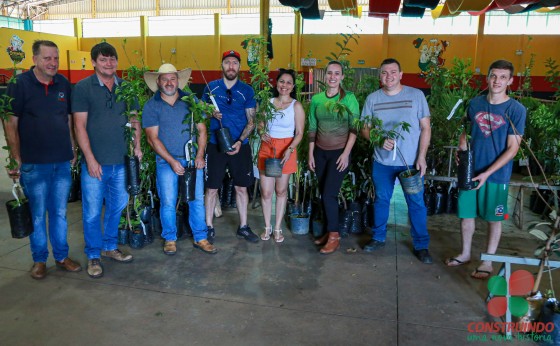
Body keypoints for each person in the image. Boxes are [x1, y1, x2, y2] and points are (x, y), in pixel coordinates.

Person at [5, 40, 82, 279]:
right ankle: (39, 259)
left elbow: (68, 118)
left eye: (56, 58)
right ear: (35, 59)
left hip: (61, 161)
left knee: (59, 213)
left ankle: (61, 256)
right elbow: (10, 122)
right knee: (37, 214)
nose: (53, 63)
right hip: (33, 164)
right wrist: (15, 157)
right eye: (47, 58)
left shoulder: (63, 84)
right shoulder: (19, 85)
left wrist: (72, 146)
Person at [445, 60, 526, 279]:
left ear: (510, 81)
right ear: (487, 77)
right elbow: (466, 129)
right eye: (493, 76)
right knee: (466, 215)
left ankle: (488, 261)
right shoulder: (475, 103)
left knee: (493, 218)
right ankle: (465, 253)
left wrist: (487, 173)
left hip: (496, 175)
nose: (497, 81)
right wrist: (462, 149)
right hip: (470, 170)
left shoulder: (516, 110)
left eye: (502, 77)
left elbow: (512, 149)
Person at [72, 42, 142, 278]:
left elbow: (134, 121)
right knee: (92, 212)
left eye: (112, 59)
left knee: (116, 207)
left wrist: (137, 146)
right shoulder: (83, 88)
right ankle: (93, 254)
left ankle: (110, 247)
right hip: (96, 164)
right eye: (103, 59)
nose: (108, 63)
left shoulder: (127, 88)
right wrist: (90, 159)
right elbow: (79, 126)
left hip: (121, 163)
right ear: (93, 62)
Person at [360, 58, 433, 264]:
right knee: (381, 199)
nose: (389, 76)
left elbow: (426, 127)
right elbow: (364, 128)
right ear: (379, 75)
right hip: (382, 162)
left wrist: (422, 157)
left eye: (393, 72)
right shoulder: (373, 99)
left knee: (416, 203)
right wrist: (378, 138)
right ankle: (378, 237)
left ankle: (421, 245)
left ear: (401, 74)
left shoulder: (416, 96)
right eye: (384, 72)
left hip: (410, 163)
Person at [142, 63, 216, 255]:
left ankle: (201, 237)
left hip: (192, 160)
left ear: (178, 80)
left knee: (196, 200)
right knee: (168, 201)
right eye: (164, 79)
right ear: (158, 82)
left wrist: (200, 155)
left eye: (172, 78)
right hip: (166, 162)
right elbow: (152, 139)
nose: (169, 82)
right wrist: (172, 161)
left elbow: (201, 129)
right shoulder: (152, 106)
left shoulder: (191, 101)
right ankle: (170, 238)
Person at [202, 50, 258, 243]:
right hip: (215, 145)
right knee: (211, 188)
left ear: (239, 67)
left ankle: (243, 226)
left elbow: (251, 121)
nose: (231, 66)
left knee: (241, 188)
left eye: (235, 63)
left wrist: (239, 142)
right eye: (227, 62)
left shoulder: (247, 90)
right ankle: (208, 227)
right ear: (222, 65)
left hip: (239, 146)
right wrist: (210, 113)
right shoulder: (211, 88)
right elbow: (201, 114)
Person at [309, 60, 360, 254]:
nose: (332, 77)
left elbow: (354, 128)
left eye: (337, 73)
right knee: (324, 194)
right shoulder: (317, 100)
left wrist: (346, 154)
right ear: (325, 76)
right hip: (320, 153)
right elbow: (312, 128)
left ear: (342, 77)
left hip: (339, 153)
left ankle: (334, 236)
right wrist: (311, 153)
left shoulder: (349, 99)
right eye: (329, 73)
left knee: (329, 194)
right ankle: (330, 230)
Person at [257, 69, 305, 242]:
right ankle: (267, 227)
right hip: (268, 147)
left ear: (292, 87)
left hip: (287, 149)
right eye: (282, 82)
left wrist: (290, 149)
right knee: (266, 192)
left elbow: (299, 133)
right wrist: (262, 132)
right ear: (276, 84)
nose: (284, 85)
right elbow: (260, 125)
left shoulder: (296, 106)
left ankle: (278, 228)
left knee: (281, 190)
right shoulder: (267, 103)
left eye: (288, 83)